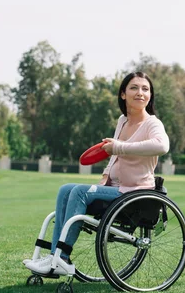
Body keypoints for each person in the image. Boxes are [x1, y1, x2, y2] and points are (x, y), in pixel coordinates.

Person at [24, 71, 170, 276]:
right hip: (115, 188)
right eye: (134, 88)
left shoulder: (152, 123)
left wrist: (119, 147)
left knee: (79, 192)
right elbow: (114, 154)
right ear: (123, 94)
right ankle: (54, 256)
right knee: (66, 189)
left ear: (150, 95)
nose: (140, 93)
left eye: (145, 89)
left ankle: (62, 258)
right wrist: (105, 174)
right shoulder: (123, 121)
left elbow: (162, 146)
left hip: (134, 191)